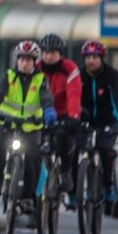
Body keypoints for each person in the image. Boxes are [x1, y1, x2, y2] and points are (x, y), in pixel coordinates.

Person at [0, 40, 56, 214]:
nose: (24, 63)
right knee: (0, 146)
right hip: (8, 123)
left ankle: (28, 197)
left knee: (33, 159)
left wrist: (49, 111)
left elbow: (46, 98)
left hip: (31, 127)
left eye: (29, 60)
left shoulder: (40, 80)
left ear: (34, 61)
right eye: (21, 59)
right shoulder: (9, 76)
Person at [79, 39, 118, 205]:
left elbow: (117, 101)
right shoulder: (80, 76)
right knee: (74, 148)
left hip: (107, 120)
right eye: (87, 57)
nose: (90, 61)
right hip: (85, 120)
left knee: (106, 150)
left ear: (101, 58)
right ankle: (77, 189)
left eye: (94, 57)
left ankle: (109, 186)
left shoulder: (111, 75)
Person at [36, 33, 82, 199]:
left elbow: (74, 94)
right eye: (45, 52)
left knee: (64, 137)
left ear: (60, 54)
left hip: (63, 114)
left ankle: (65, 171)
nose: (48, 56)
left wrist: (73, 116)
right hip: (40, 115)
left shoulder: (69, 69)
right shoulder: (36, 68)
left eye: (52, 53)